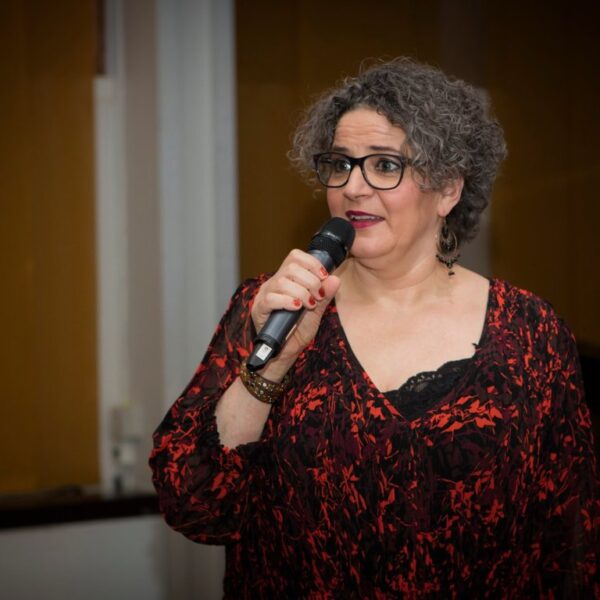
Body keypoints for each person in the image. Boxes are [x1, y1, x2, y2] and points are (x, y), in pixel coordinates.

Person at [150, 58, 599, 598]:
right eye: (340, 164)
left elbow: (571, 542)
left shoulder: (529, 332)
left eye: (385, 165)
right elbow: (195, 505)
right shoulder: (271, 308)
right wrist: (274, 364)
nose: (354, 187)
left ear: (448, 189)